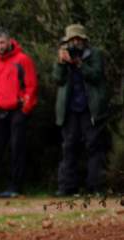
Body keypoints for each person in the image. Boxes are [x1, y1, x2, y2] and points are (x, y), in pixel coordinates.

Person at [0, 28, 38, 198]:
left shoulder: (22, 60)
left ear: (9, 41)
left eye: (2, 42)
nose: (0, 46)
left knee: (17, 148)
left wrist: (26, 108)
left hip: (18, 109)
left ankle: (15, 186)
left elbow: (31, 85)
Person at [54, 24, 108, 196]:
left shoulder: (95, 55)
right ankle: (67, 187)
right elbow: (57, 79)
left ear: (84, 40)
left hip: (90, 109)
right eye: (72, 40)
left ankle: (95, 186)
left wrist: (79, 64)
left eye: (78, 39)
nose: (75, 43)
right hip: (70, 111)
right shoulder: (63, 56)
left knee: (94, 146)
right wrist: (61, 63)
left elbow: (97, 75)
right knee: (69, 147)